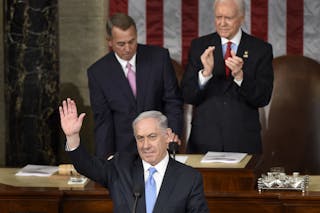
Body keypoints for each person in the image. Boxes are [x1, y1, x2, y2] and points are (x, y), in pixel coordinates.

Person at [59, 98, 209, 213]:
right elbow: (87, 166)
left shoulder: (189, 178)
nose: (145, 145)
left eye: (152, 136)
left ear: (167, 135)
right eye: (140, 138)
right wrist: (72, 137)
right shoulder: (121, 166)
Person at [181, 0, 274, 154]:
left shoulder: (260, 49)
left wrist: (240, 77)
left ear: (241, 17)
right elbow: (188, 95)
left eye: (228, 18)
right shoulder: (199, 46)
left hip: (244, 142)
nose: (222, 23)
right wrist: (205, 74)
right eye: (218, 17)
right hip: (204, 142)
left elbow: (263, 98)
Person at [87, 13, 183, 158]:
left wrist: (171, 134)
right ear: (109, 41)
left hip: (160, 146)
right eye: (121, 44)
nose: (128, 48)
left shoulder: (159, 58)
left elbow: (173, 102)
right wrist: (104, 161)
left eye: (132, 41)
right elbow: (103, 122)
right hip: (123, 153)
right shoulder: (98, 73)